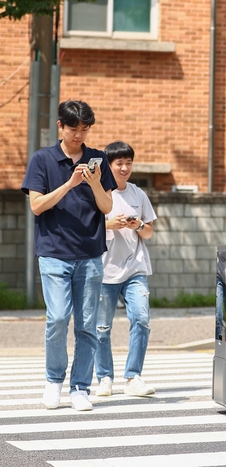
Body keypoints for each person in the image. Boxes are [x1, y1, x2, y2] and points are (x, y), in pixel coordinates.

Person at [21, 100, 117, 411]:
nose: (79, 135)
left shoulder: (98, 159)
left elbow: (107, 208)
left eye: (85, 129)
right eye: (74, 129)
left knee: (87, 323)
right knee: (58, 317)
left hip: (89, 253)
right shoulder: (42, 160)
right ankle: (53, 381)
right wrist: (70, 183)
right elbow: (37, 206)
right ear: (60, 126)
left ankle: (80, 388)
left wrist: (93, 183)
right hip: (54, 253)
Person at [95, 141, 158, 397]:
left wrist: (138, 225)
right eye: (119, 163)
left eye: (128, 162)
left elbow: (150, 232)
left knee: (141, 319)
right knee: (101, 328)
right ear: (109, 166)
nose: (124, 168)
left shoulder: (138, 194)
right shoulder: (99, 193)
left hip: (135, 269)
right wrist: (110, 224)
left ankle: (133, 377)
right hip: (103, 271)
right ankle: (104, 378)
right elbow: (88, 229)